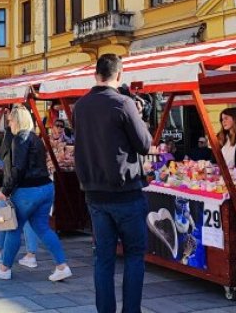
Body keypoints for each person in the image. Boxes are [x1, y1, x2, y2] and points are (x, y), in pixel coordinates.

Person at [73, 54, 153, 313]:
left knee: (103, 259)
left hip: (94, 194)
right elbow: (144, 144)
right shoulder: (123, 103)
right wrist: (139, 116)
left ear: (96, 75)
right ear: (119, 75)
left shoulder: (81, 106)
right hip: (125, 192)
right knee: (133, 256)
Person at [0, 105, 71, 282]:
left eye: (10, 120)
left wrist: (5, 191)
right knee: (43, 228)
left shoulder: (20, 138)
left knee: (13, 228)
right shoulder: (35, 138)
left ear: (17, 120)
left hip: (27, 191)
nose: (8, 123)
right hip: (46, 188)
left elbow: (18, 168)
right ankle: (61, 266)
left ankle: (4, 268)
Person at [0, 126, 41, 267]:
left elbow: (9, 166)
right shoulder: (33, 139)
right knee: (26, 222)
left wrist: (4, 189)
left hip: (16, 188)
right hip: (30, 187)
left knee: (3, 217)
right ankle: (30, 255)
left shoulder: (13, 138)